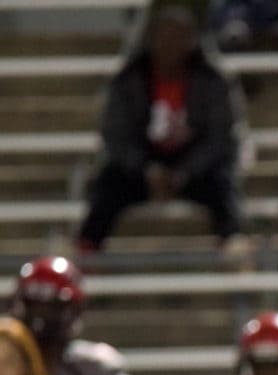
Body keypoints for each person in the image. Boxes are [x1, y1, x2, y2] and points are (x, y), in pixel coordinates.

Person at [76, 5, 246, 253]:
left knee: (222, 183)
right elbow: (115, 136)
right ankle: (86, 249)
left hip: (194, 166)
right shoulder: (128, 79)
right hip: (142, 164)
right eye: (164, 37)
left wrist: (185, 171)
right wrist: (147, 170)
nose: (171, 45)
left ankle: (234, 246)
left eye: (178, 37)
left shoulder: (211, 80)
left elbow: (220, 138)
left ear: (191, 41)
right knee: (109, 183)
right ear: (152, 39)